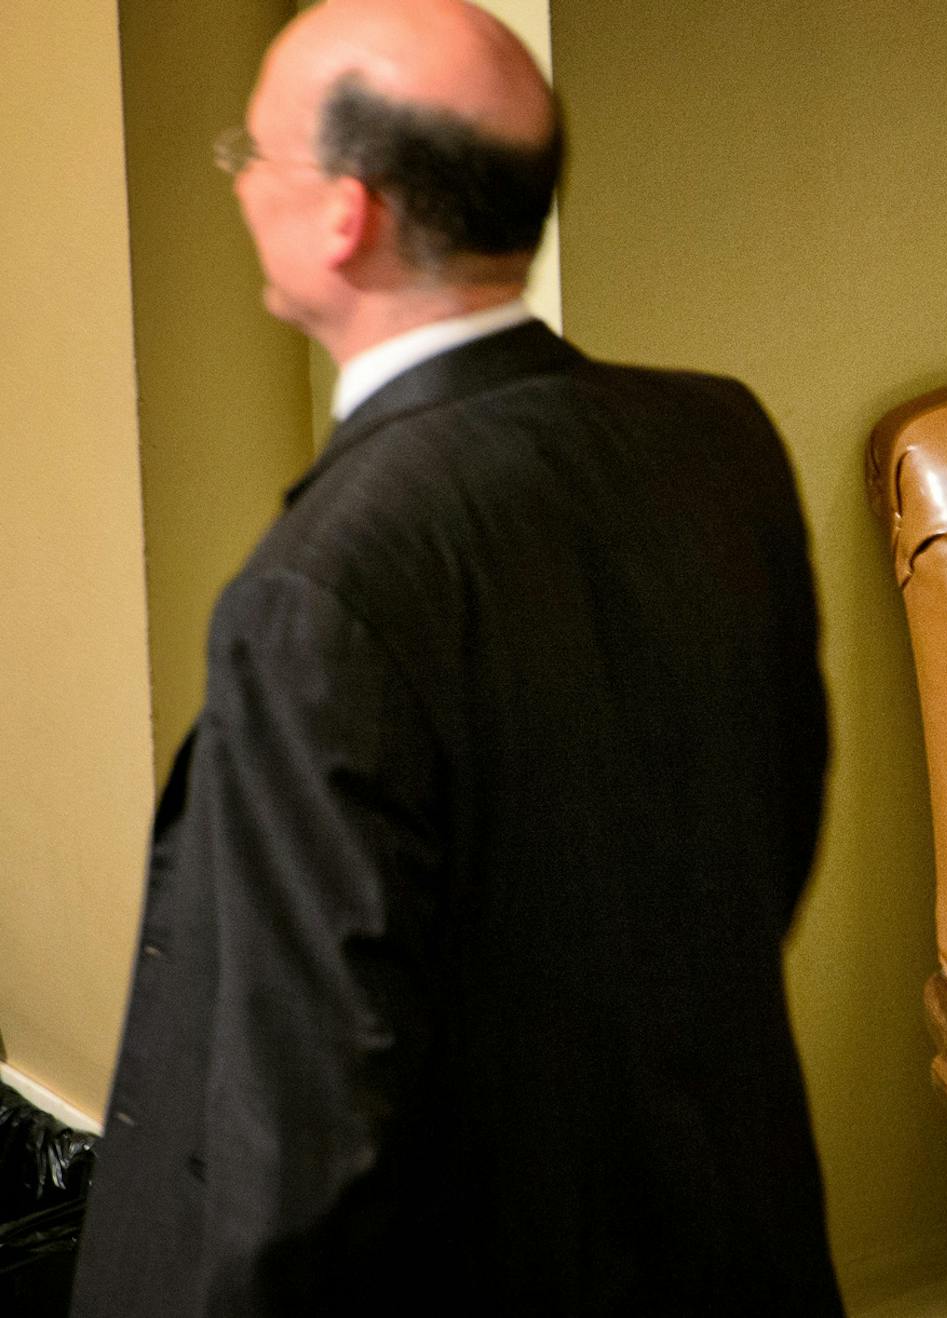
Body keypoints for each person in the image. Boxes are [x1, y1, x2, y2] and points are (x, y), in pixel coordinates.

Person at [71, 2, 841, 1312]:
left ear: (344, 215)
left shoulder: (322, 581)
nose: (242, 183)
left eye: (254, 153)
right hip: (718, 1233)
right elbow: (766, 838)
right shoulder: (717, 439)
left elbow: (304, 1106)